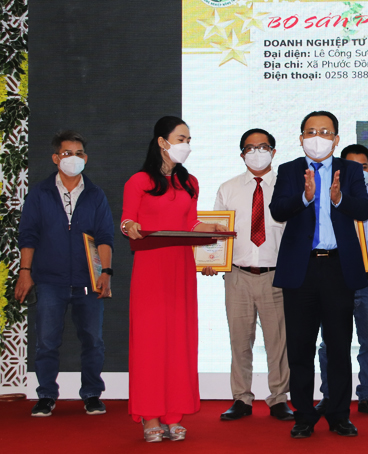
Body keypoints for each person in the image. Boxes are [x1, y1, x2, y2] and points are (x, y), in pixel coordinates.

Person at [121, 116, 228, 442]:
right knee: (150, 341)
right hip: (150, 268)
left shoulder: (190, 182)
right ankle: (149, 415)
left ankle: (172, 414)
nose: (187, 145)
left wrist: (215, 229)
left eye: (189, 139)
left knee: (179, 340)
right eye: (181, 138)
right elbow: (127, 220)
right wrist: (129, 227)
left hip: (181, 269)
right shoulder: (138, 181)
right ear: (162, 142)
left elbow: (191, 225)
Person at [270, 111, 368, 438]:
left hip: (337, 267)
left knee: (339, 345)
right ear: (301, 138)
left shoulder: (351, 170)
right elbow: (277, 210)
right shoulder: (289, 170)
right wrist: (306, 198)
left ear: (336, 139)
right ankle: (303, 414)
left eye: (325, 132)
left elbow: (364, 210)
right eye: (311, 132)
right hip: (300, 269)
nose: (318, 137)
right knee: (300, 347)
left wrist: (338, 198)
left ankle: (340, 414)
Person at [16, 130, 114, 417]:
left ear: (86, 158)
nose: (74, 158)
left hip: (88, 281)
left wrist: (105, 272)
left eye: (79, 153)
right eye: (67, 153)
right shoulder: (40, 193)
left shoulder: (96, 195)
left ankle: (92, 394)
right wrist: (25, 272)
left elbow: (105, 236)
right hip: (49, 281)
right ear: (56, 158)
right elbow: (28, 236)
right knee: (46, 342)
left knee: (93, 341)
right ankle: (46, 395)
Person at [202, 128, 293, 422]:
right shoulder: (228, 189)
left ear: (274, 152)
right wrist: (209, 260)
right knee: (239, 341)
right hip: (237, 275)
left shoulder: (287, 188)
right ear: (241, 154)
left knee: (278, 342)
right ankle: (241, 398)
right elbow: (215, 232)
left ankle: (279, 398)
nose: (257, 152)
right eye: (250, 148)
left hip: (276, 276)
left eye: (263, 146)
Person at [316, 144, 368, 417]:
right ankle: (329, 394)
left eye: (362, 166)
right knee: (330, 342)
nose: (357, 171)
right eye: (350, 166)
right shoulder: (323, 202)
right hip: (334, 279)